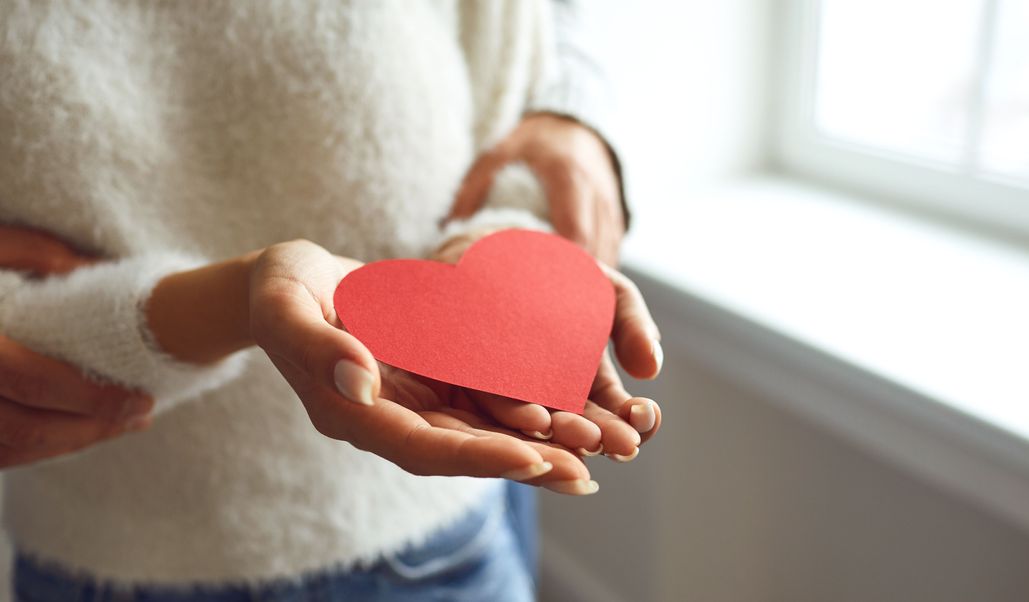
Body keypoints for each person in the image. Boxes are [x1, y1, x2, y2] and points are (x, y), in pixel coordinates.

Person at [0, 2, 662, 600]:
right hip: (101, 548)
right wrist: (239, 300)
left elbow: (520, 78)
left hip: (446, 534)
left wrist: (557, 139)